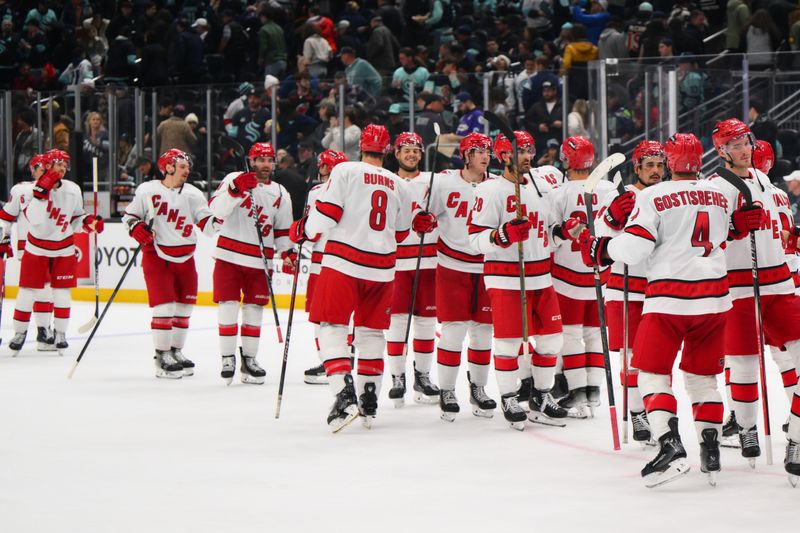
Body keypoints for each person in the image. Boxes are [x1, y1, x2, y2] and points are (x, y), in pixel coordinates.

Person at [579, 132, 754, 487]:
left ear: (670, 162)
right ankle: (710, 445)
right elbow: (727, 233)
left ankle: (670, 444)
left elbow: (636, 250)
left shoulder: (656, 196)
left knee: (652, 374)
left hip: (669, 300)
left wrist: (602, 249)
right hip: (715, 300)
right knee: (703, 379)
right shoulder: (719, 193)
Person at [289, 125, 412, 432]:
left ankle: (344, 393)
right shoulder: (400, 184)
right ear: (386, 150)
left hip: (343, 261)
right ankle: (369, 399)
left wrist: (304, 230)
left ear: (361, 145)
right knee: (371, 332)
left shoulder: (345, 170)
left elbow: (327, 214)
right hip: (383, 268)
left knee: (331, 326)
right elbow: (401, 232)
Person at [707, 119, 800, 481]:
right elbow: (706, 237)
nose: (744, 148)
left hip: (778, 281)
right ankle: (746, 428)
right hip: (739, 285)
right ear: (722, 150)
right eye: (735, 143)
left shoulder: (765, 181)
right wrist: (733, 227)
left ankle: (795, 436)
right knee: (744, 364)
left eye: (746, 141)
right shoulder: (714, 186)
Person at [468, 130, 568, 430]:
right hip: (506, 278)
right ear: (504, 156)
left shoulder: (539, 189)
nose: (527, 156)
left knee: (552, 339)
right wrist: (502, 235)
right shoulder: (490, 191)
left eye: (528, 151)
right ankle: (509, 396)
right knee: (509, 342)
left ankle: (540, 395)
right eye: (520, 151)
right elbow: (474, 239)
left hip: (540, 276)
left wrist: (565, 232)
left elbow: (547, 235)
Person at [595, 140, 665, 445]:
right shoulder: (619, 195)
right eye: (649, 165)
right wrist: (611, 217)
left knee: (657, 359)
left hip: (662, 288)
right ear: (636, 168)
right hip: (626, 287)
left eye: (660, 164)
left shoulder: (667, 195)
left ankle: (657, 411)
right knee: (632, 355)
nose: (656, 171)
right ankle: (638, 412)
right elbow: (597, 235)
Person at [122, 149, 215, 379]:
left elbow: (207, 224)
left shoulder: (193, 194)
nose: (187, 170)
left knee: (184, 308)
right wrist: (136, 228)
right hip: (156, 254)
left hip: (185, 255)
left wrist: (221, 215)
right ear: (169, 166)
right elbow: (130, 217)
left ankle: (176, 351)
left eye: (187, 167)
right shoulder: (148, 190)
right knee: (164, 307)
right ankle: (162, 355)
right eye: (182, 166)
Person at [209, 142, 293, 385]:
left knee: (254, 310)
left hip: (260, 260)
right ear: (251, 161)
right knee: (227, 305)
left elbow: (282, 230)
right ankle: (227, 357)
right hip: (229, 255)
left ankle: (249, 358)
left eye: (269, 160)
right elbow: (215, 210)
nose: (265, 164)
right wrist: (234, 191)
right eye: (261, 159)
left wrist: (287, 252)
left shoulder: (279, 192)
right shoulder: (234, 179)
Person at [427, 133, 496, 421]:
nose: (485, 156)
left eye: (488, 152)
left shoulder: (498, 186)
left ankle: (478, 388)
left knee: (482, 332)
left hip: (486, 267)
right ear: (466, 155)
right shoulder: (444, 181)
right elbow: (425, 215)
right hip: (452, 265)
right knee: (454, 330)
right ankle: (446, 389)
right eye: (479, 151)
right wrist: (423, 221)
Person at [8, 150, 104, 356]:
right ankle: (19, 332)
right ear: (48, 165)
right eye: (58, 164)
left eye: (65, 164)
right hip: (36, 249)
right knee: (27, 291)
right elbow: (34, 218)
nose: (62, 168)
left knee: (61, 293)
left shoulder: (73, 190)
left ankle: (60, 333)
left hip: (63, 248)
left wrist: (89, 223)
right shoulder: (31, 190)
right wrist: (42, 193)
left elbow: (76, 217)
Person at [549, 136, 615, 418]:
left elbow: (551, 236)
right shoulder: (610, 189)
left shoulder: (559, 193)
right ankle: (594, 389)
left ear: (566, 160)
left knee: (571, 334)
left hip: (567, 274)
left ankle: (577, 390)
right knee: (596, 333)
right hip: (601, 273)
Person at [385, 132, 439, 407]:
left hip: (428, 261)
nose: (412, 154)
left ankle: (423, 375)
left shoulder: (433, 182)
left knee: (426, 322)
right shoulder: (388, 182)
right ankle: (397, 376)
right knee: (397, 323)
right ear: (396, 154)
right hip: (396, 264)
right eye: (406, 150)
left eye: (416, 150)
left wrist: (432, 221)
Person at [0, 153, 56, 353]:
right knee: (32, 289)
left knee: (48, 289)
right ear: (32, 169)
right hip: (30, 246)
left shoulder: (60, 189)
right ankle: (23, 331)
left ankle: (43, 331)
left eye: (47, 168)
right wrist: (3, 235)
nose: (44, 171)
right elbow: (6, 216)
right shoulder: (21, 189)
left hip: (54, 246)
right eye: (41, 168)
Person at [302, 149, 348, 385]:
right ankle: (347, 358)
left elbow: (312, 232)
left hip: (324, 260)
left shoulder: (317, 192)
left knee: (322, 317)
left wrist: (300, 232)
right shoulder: (353, 190)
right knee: (343, 316)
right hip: (347, 260)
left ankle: (329, 360)